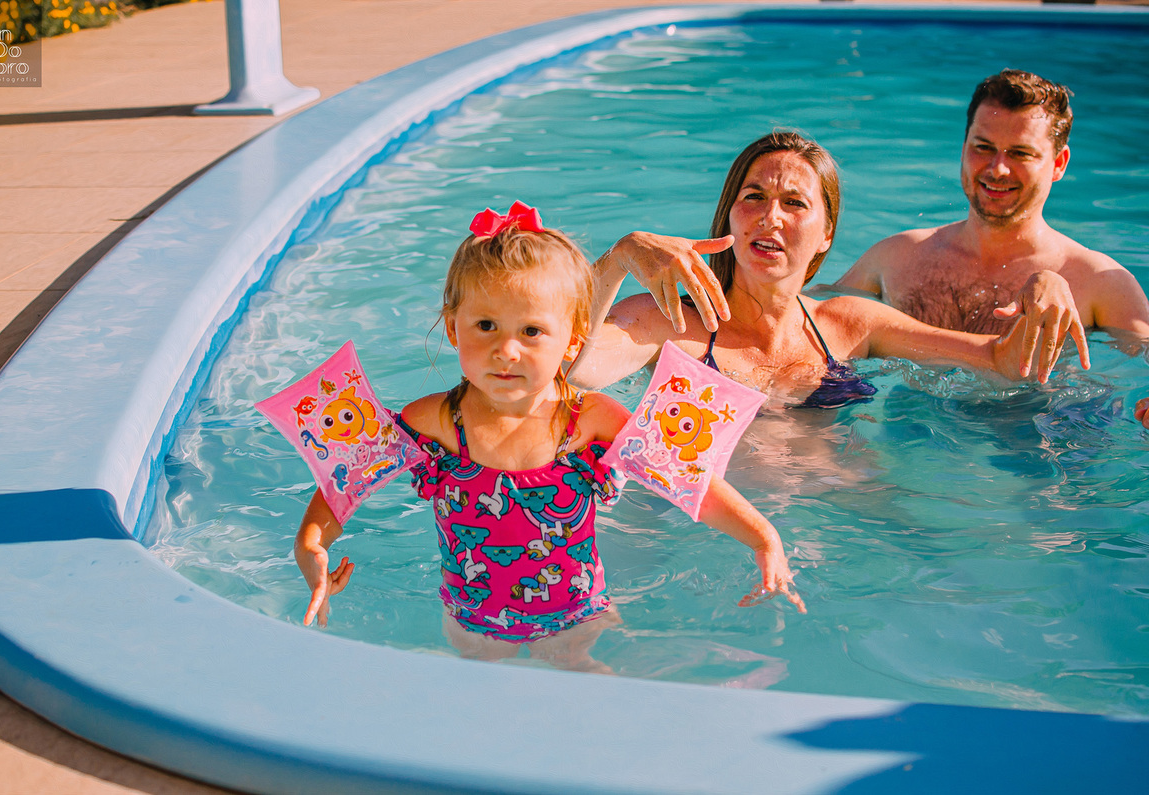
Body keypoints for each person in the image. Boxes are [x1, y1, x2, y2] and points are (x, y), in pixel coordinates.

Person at [294, 202, 805, 672]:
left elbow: (687, 480)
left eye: (532, 331)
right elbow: (346, 479)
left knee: (604, 700)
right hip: (473, 626)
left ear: (573, 341)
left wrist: (764, 539)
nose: (506, 350)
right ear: (453, 328)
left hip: (579, 618)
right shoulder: (434, 422)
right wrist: (310, 547)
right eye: (486, 325)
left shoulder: (592, 420)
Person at [569, 131, 1059, 402]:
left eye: (795, 204)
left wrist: (1049, 284)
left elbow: (1003, 362)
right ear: (729, 215)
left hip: (838, 523)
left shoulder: (850, 324)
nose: (770, 216)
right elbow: (567, 368)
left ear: (827, 233)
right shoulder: (664, 323)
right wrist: (620, 257)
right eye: (753, 197)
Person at [833, 69, 1149, 418]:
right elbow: (807, 317)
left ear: (1058, 164)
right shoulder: (895, 257)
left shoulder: (1100, 283)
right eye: (983, 148)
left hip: (1030, 450)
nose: (997, 169)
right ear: (964, 147)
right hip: (901, 437)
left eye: (1020, 153)